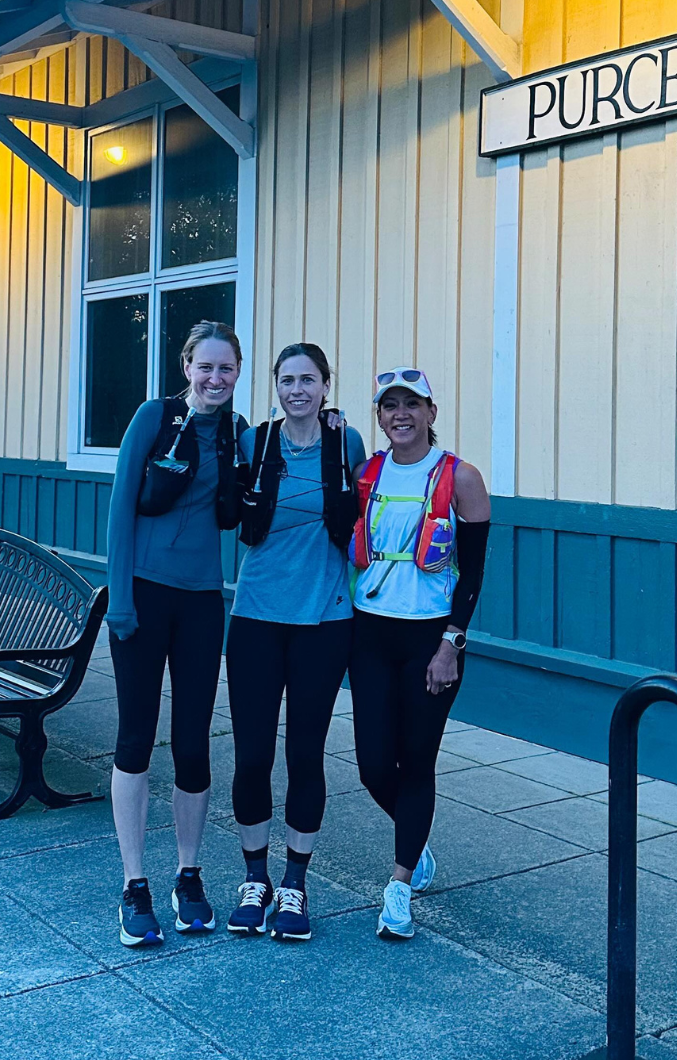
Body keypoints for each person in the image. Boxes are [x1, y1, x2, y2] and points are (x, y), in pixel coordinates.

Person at [105, 320, 247, 947]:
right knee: (136, 738)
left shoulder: (241, 436)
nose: (215, 379)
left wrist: (331, 426)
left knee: (192, 743)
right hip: (143, 594)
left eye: (227, 369)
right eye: (206, 366)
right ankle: (134, 883)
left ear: (238, 374)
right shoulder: (153, 417)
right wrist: (121, 603)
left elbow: (281, 473)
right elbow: (118, 512)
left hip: (201, 603)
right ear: (186, 367)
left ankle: (188, 874)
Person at [226, 344, 365, 941]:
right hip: (256, 616)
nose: (298, 390)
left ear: (327, 386)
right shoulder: (254, 445)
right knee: (253, 753)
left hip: (325, 621)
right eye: (287, 380)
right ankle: (254, 878)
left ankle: (294, 885)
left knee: (305, 754)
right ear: (275, 388)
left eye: (308, 380)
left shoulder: (346, 444)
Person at [349, 366, 490, 941]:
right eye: (389, 406)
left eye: (412, 404)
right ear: (378, 417)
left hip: (431, 639)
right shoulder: (367, 474)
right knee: (373, 765)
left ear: (432, 413)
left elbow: (474, 570)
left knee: (417, 759)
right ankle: (419, 840)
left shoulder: (461, 477)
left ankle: (400, 885)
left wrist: (451, 642)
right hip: (370, 632)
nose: (400, 415)